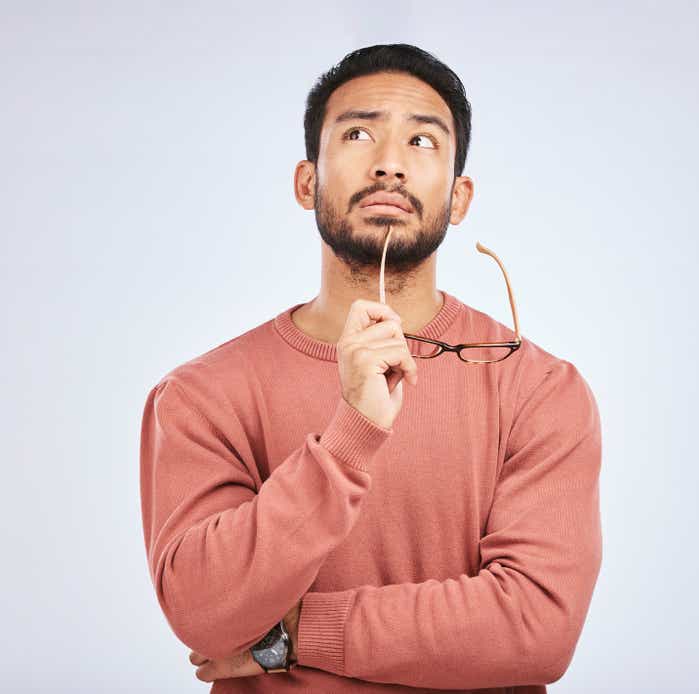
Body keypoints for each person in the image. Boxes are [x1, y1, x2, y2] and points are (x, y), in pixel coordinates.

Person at [139, 43, 602, 693]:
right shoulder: (200, 396)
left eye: (422, 141)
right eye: (358, 133)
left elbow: (536, 627)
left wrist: (293, 636)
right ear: (308, 183)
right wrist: (351, 431)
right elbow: (205, 616)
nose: (389, 164)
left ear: (459, 196)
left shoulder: (541, 389)